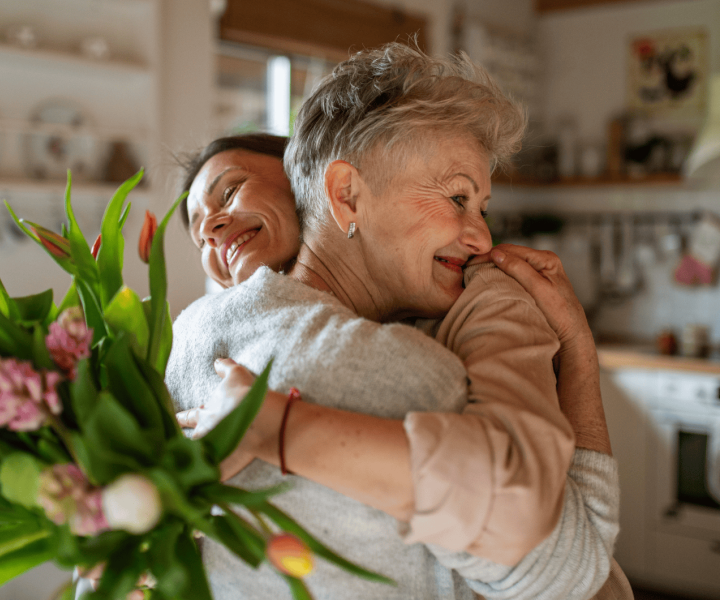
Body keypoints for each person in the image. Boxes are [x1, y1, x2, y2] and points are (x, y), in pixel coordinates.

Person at [166, 45, 626, 600]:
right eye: (456, 196)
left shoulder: (187, 337)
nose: (483, 236)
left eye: (480, 207)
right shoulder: (397, 374)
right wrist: (575, 351)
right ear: (346, 196)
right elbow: (579, 574)